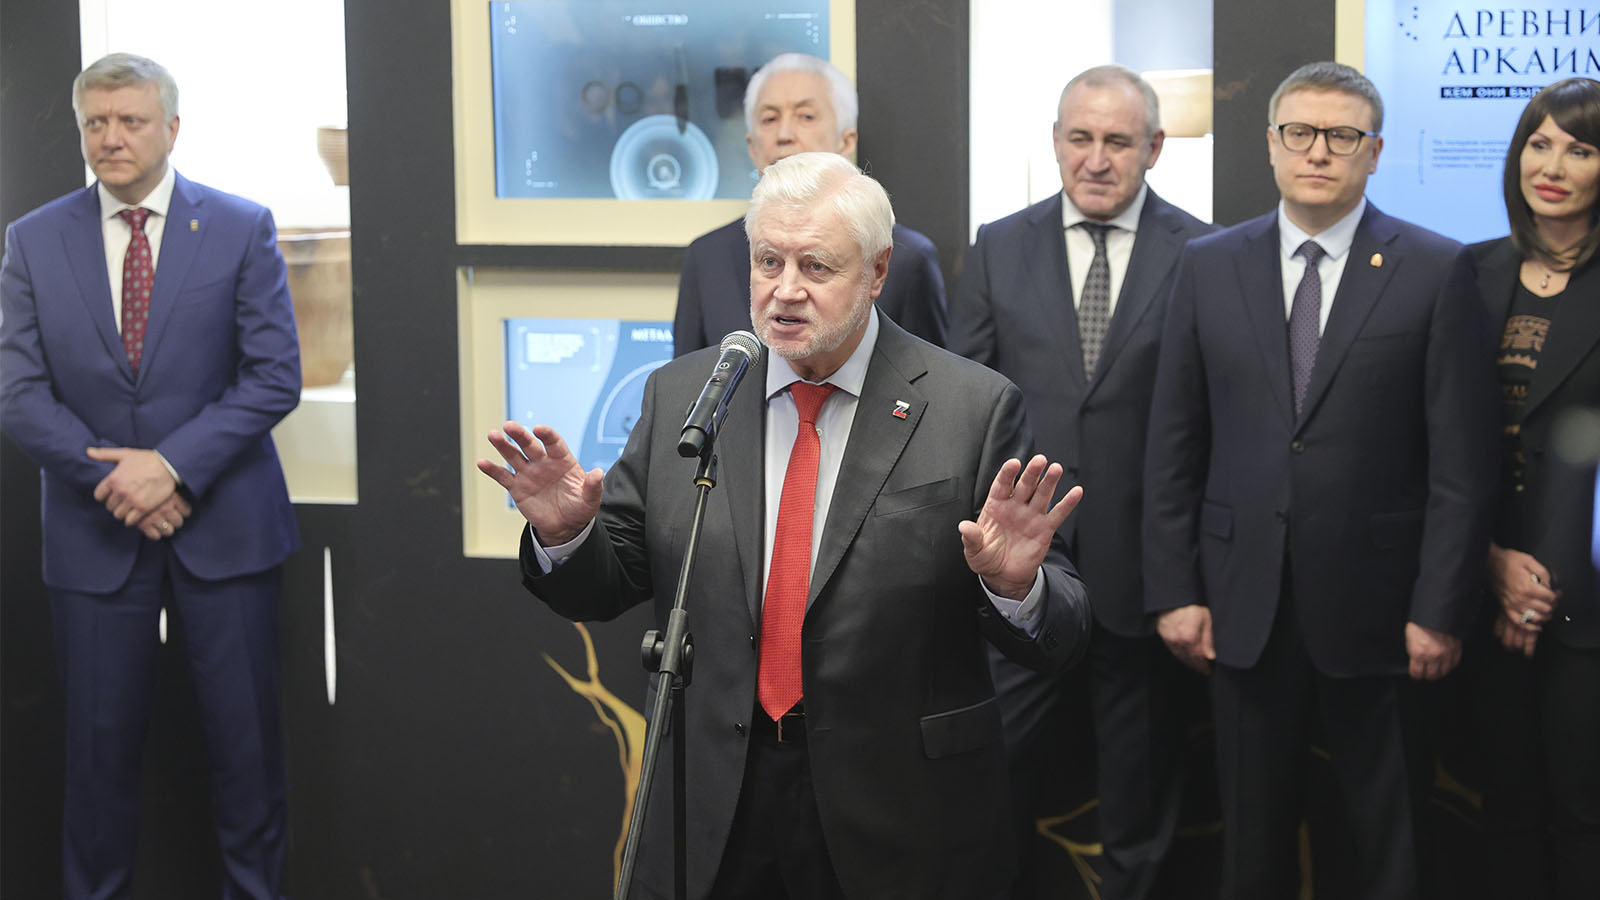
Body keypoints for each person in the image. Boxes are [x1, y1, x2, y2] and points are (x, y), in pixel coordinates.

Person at [480, 151, 1091, 900]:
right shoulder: (687, 397)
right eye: (768, 261)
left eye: (816, 266)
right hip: (718, 800)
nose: (786, 289)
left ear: (877, 270)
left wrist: (1015, 586)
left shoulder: (971, 407)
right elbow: (610, 583)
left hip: (900, 810)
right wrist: (567, 536)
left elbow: (1062, 632)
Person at [1141, 61, 1498, 899]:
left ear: (1375, 152)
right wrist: (1175, 590)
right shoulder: (1208, 265)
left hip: (1385, 611)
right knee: (1250, 841)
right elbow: (1173, 444)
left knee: (1390, 838)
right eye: (1299, 132)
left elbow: (1462, 464)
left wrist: (1440, 608)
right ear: (1270, 143)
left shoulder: (1436, 269)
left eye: (1342, 135)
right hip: (1241, 602)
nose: (1318, 152)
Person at [0, 53, 301, 899]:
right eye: (95, 122)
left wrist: (171, 469)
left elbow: (274, 376)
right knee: (96, 766)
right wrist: (120, 482)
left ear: (172, 128)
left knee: (247, 758)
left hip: (228, 532)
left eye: (130, 120)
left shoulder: (241, 227)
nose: (111, 138)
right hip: (94, 538)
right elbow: (18, 392)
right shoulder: (33, 239)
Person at [948, 64, 1214, 899]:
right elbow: (963, 405)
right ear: (1056, 142)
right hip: (1022, 580)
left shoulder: (1206, 253)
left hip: (1147, 576)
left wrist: (1186, 577)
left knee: (1140, 799)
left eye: (1118, 142)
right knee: (996, 786)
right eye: (1081, 138)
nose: (1096, 159)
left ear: (1155, 148)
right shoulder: (999, 244)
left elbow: (1215, 420)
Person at [1466, 76, 1600, 900]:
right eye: (1539, 144)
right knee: (1500, 807)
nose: (1552, 167)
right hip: (1479, 580)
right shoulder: (1471, 271)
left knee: (1582, 811)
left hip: (1584, 597)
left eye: (1580, 150)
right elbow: (1442, 440)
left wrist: (1540, 578)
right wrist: (1491, 562)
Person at [672, 52, 946, 356]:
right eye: (770, 118)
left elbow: (926, 376)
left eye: (806, 116)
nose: (784, 135)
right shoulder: (708, 257)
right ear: (752, 146)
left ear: (846, 141)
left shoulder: (907, 259)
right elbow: (688, 377)